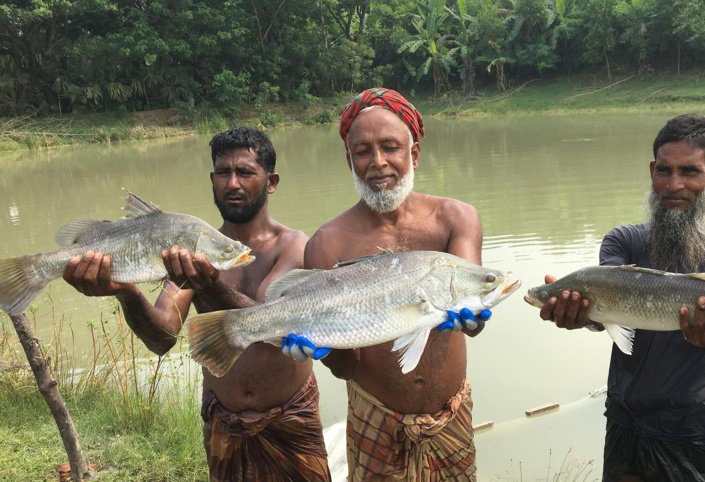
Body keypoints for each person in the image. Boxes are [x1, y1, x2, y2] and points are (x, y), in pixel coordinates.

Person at [62, 127, 331, 482]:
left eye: (246, 172)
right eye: (223, 172)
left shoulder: (295, 247)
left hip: (291, 418)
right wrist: (125, 290)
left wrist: (212, 285)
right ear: (212, 179)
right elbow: (162, 337)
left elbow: (269, 325)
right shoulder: (189, 250)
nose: (232, 183)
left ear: (271, 181)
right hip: (224, 420)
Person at [538, 114, 705, 482]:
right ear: (651, 172)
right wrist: (581, 315)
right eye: (664, 170)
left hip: (694, 425)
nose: (673, 185)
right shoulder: (623, 241)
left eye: (690, 172)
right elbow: (606, 314)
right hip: (625, 418)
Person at [295, 87, 485, 481]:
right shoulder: (327, 243)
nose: (378, 163)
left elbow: (471, 296)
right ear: (349, 160)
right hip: (374, 417)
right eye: (362, 151)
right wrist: (322, 350)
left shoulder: (456, 218)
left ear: (413, 153)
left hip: (451, 414)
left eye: (390, 147)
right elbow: (346, 366)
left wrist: (475, 317)